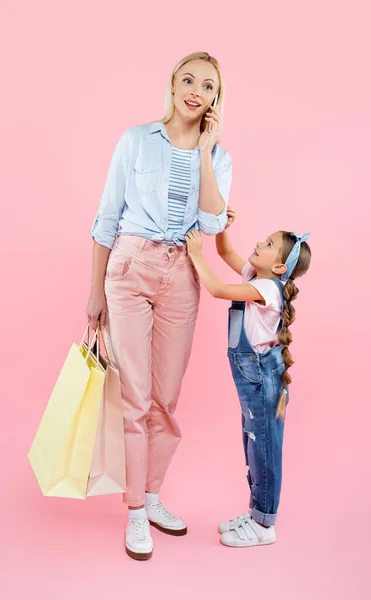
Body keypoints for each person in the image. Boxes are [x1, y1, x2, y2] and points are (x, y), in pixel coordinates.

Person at [87, 52, 233, 561]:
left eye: (207, 85)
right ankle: (132, 510)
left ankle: (151, 496)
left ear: (216, 98)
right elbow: (107, 216)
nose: (195, 90)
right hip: (129, 267)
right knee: (134, 396)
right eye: (188, 79)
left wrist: (207, 151)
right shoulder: (135, 140)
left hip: (182, 277)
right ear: (172, 85)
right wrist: (94, 292)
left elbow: (213, 224)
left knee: (165, 399)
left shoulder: (219, 157)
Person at [185, 224, 311, 547]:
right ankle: (256, 512)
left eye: (268, 244)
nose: (259, 242)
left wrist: (195, 255)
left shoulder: (268, 289)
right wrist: (221, 228)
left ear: (280, 267)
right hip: (251, 380)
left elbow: (216, 288)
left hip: (263, 379)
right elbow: (225, 252)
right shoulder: (256, 277)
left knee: (264, 448)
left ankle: (264, 523)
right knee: (254, 446)